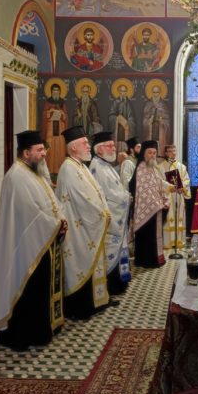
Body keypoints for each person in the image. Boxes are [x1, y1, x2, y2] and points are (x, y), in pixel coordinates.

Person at [0, 130, 67, 351]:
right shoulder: (16, 176)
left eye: (43, 149)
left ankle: (39, 332)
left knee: (38, 290)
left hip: (39, 243)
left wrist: (60, 219)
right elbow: (30, 214)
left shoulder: (34, 173)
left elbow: (49, 203)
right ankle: (21, 335)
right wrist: (55, 224)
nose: (44, 154)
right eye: (39, 150)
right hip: (24, 247)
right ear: (26, 153)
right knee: (27, 291)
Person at [55, 126, 112, 319]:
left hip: (88, 226)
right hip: (78, 229)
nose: (89, 146)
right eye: (85, 143)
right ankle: (81, 308)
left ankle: (97, 301)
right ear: (73, 148)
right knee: (80, 264)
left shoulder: (80, 166)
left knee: (92, 262)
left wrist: (104, 210)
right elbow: (82, 200)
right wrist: (102, 214)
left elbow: (97, 192)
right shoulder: (68, 169)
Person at [89, 131, 132, 294]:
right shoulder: (97, 167)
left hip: (117, 214)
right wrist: (125, 198)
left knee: (119, 249)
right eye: (110, 146)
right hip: (110, 217)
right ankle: (112, 287)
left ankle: (120, 283)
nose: (114, 148)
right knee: (110, 250)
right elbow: (105, 195)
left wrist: (124, 195)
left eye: (113, 145)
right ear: (99, 149)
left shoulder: (105, 165)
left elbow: (115, 189)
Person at [130, 140, 169, 267]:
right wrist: (157, 204)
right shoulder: (141, 168)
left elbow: (159, 185)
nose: (152, 155)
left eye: (154, 153)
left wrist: (165, 198)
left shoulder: (153, 169)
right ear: (144, 154)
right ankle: (145, 261)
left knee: (153, 236)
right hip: (146, 210)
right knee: (146, 237)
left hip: (155, 208)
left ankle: (155, 259)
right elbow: (143, 191)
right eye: (150, 152)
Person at [159, 145, 191, 251]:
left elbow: (186, 180)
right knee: (169, 218)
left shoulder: (182, 167)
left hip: (179, 195)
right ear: (166, 153)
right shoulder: (160, 167)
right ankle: (168, 242)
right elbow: (159, 181)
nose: (173, 153)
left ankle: (179, 241)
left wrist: (183, 187)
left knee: (179, 217)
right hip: (168, 196)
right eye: (170, 151)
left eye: (174, 151)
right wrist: (169, 186)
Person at [40, 83, 68, 174]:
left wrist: (62, 114)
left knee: (60, 147)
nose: (56, 92)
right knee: (50, 147)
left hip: (60, 128)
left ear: (60, 92)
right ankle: (49, 170)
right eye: (54, 91)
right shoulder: (48, 102)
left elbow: (66, 116)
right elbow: (44, 114)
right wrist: (49, 111)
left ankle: (60, 170)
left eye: (57, 91)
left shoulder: (62, 102)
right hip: (50, 128)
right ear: (51, 92)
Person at [142, 83, 170, 154]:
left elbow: (167, 119)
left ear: (159, 93)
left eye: (157, 92)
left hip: (160, 130)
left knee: (159, 150)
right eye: (154, 92)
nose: (155, 94)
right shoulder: (148, 104)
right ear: (152, 93)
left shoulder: (163, 104)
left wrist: (162, 121)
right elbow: (145, 118)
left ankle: (160, 154)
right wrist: (148, 121)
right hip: (150, 130)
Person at [108, 82, 136, 150]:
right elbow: (111, 115)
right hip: (117, 128)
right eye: (121, 91)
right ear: (119, 91)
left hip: (125, 130)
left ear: (126, 92)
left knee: (125, 147)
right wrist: (117, 119)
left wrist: (128, 122)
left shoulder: (128, 103)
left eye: (124, 91)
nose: (122, 93)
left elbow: (131, 116)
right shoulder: (115, 102)